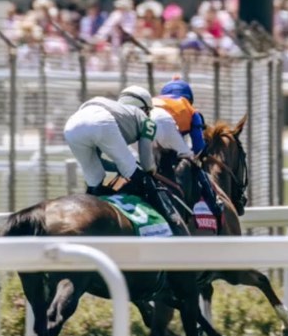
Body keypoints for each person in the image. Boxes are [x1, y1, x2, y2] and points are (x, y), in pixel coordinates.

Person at [63, 83, 183, 226]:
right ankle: (170, 220)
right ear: (144, 109)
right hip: (101, 121)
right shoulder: (145, 119)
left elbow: (101, 161)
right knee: (140, 177)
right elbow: (146, 164)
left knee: (94, 182)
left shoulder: (118, 112)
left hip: (71, 126)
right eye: (148, 111)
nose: (149, 115)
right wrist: (150, 170)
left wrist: (116, 166)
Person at [152, 77, 223, 224]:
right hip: (166, 129)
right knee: (193, 161)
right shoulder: (191, 111)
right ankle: (214, 203)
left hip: (143, 125)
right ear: (189, 99)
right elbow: (198, 148)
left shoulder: (154, 101)